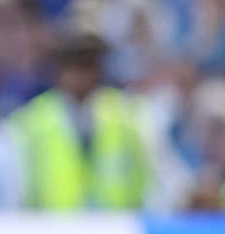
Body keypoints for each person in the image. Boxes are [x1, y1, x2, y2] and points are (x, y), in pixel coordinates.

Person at [11, 25, 155, 209]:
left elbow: (147, 182)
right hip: (57, 232)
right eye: (74, 66)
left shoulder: (128, 115)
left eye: (89, 65)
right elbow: (23, 191)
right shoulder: (32, 122)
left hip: (117, 230)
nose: (82, 75)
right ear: (60, 71)